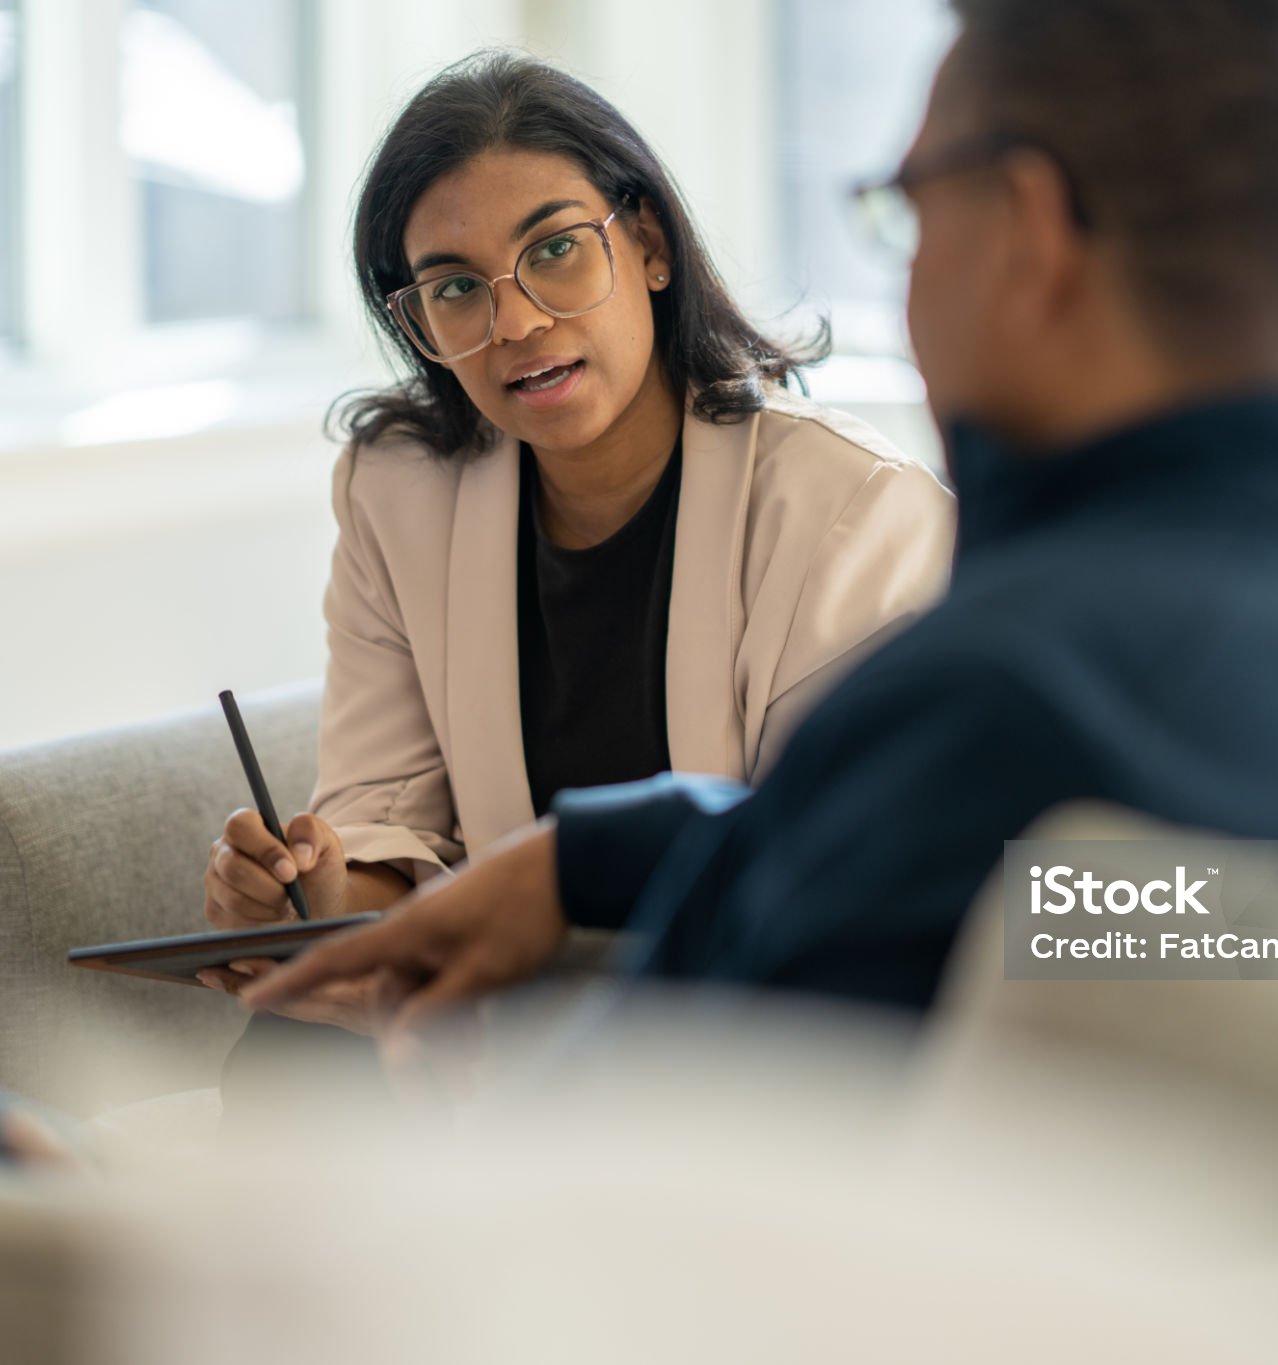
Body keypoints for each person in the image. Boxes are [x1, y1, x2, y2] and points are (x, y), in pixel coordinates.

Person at [244, 0, 1278, 1031]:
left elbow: (671, 1128)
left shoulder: (987, 701)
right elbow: (1142, 916)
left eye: (911, 208)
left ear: (1024, 229)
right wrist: (593, 858)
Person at [197, 53, 955, 1042]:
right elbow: (390, 833)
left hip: (732, 1030)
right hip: (506, 1025)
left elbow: (818, 877)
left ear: (648, 245)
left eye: (554, 249)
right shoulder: (396, 492)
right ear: (415, 324)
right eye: (454, 287)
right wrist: (310, 891)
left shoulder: (852, 512)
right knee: (292, 1038)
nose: (514, 321)